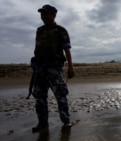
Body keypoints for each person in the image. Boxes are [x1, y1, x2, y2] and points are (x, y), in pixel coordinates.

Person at [31, 4, 75, 132]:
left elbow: (67, 50)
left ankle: (66, 121)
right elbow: (37, 49)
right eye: (42, 14)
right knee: (39, 97)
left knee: (60, 95)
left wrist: (71, 67)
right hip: (39, 68)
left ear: (54, 15)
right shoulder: (39, 30)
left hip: (54, 68)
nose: (43, 16)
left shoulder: (61, 30)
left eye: (46, 13)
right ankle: (42, 123)